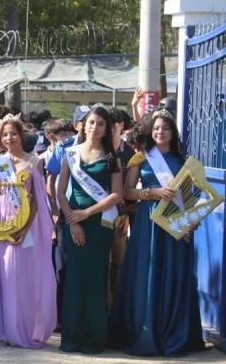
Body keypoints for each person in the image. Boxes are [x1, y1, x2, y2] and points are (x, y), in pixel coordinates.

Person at [107, 110, 206, 357]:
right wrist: (152, 192)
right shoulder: (140, 159)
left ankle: (172, 332)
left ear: (173, 133)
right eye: (156, 128)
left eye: (165, 128)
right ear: (151, 132)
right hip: (148, 222)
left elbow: (193, 198)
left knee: (172, 272)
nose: (160, 132)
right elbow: (127, 193)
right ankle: (143, 330)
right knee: (147, 274)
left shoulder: (184, 162)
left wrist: (191, 220)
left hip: (173, 223)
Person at [0, 115, 57, 348]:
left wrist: (25, 229)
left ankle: (24, 328)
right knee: (2, 275)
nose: (9, 138)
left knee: (23, 277)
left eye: (13, 133)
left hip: (25, 226)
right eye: (4, 134)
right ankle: (3, 329)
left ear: (21, 136)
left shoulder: (35, 162)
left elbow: (37, 201)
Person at [56, 105, 123, 354]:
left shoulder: (113, 157)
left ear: (107, 129)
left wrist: (87, 213)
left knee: (96, 280)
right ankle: (71, 337)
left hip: (100, 225)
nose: (95, 127)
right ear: (83, 125)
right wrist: (73, 221)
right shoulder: (70, 153)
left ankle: (93, 339)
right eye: (91, 122)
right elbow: (60, 192)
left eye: (101, 124)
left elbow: (117, 194)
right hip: (74, 224)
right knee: (74, 280)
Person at [45, 105, 88, 332]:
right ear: (76, 125)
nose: (88, 124)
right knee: (63, 268)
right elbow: (50, 180)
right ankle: (61, 316)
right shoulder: (64, 147)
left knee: (87, 267)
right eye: (84, 121)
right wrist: (54, 210)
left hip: (91, 214)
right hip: (64, 214)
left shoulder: (102, 147)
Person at [107, 107, 136, 311]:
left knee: (118, 264)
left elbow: (131, 187)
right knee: (103, 265)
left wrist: (126, 214)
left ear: (121, 127)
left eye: (112, 127)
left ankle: (116, 311)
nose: (109, 131)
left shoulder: (130, 153)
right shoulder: (99, 151)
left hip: (122, 216)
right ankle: (104, 307)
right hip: (98, 215)